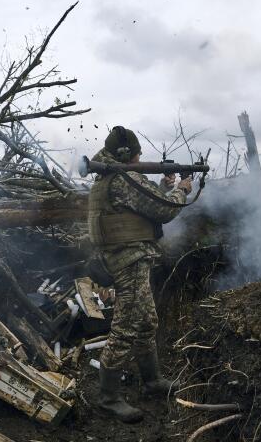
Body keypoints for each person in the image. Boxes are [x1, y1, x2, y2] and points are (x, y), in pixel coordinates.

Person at [87, 126, 192, 422]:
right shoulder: (123, 178)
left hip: (125, 258)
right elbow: (164, 210)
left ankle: (152, 381)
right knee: (127, 326)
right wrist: (181, 189)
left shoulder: (109, 178)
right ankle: (108, 398)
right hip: (129, 261)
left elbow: (140, 206)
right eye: (137, 154)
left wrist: (161, 185)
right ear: (127, 154)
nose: (139, 157)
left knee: (146, 320)